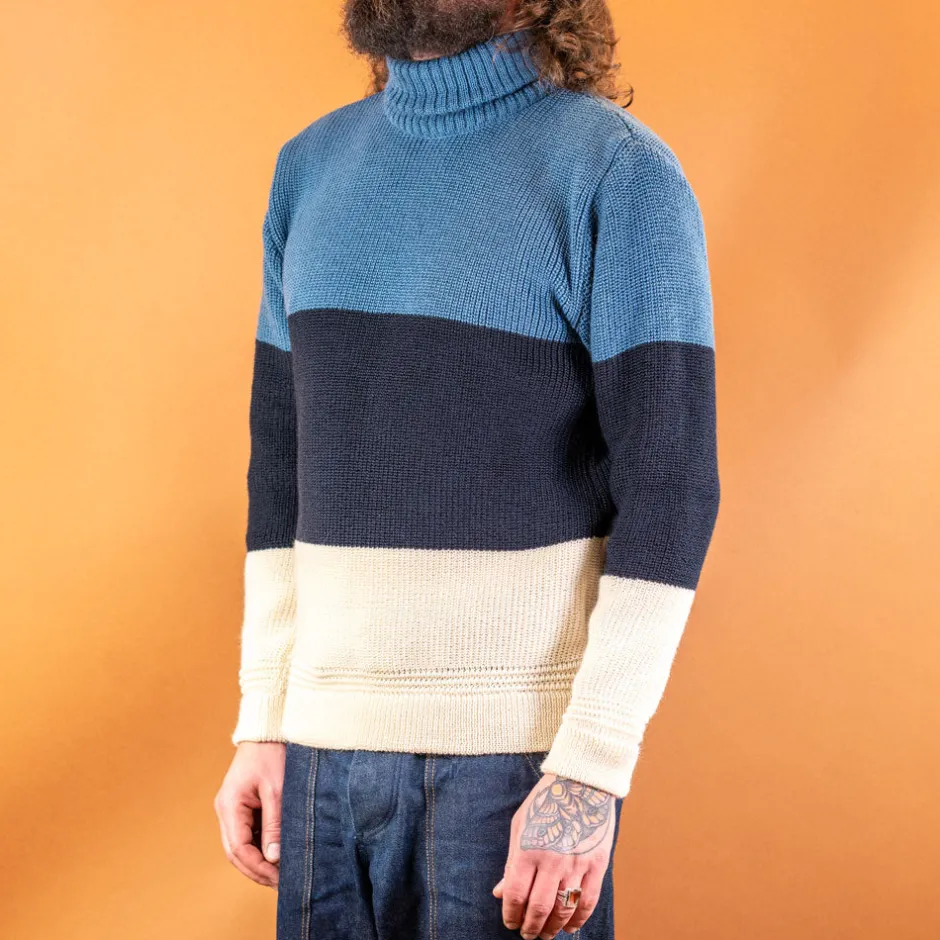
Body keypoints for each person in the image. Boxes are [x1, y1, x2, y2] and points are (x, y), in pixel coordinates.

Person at [213, 1, 720, 937]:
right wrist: (265, 719)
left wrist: (589, 770)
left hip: (515, 765)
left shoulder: (616, 172)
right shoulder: (309, 168)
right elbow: (281, 474)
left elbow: (672, 489)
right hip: (318, 758)